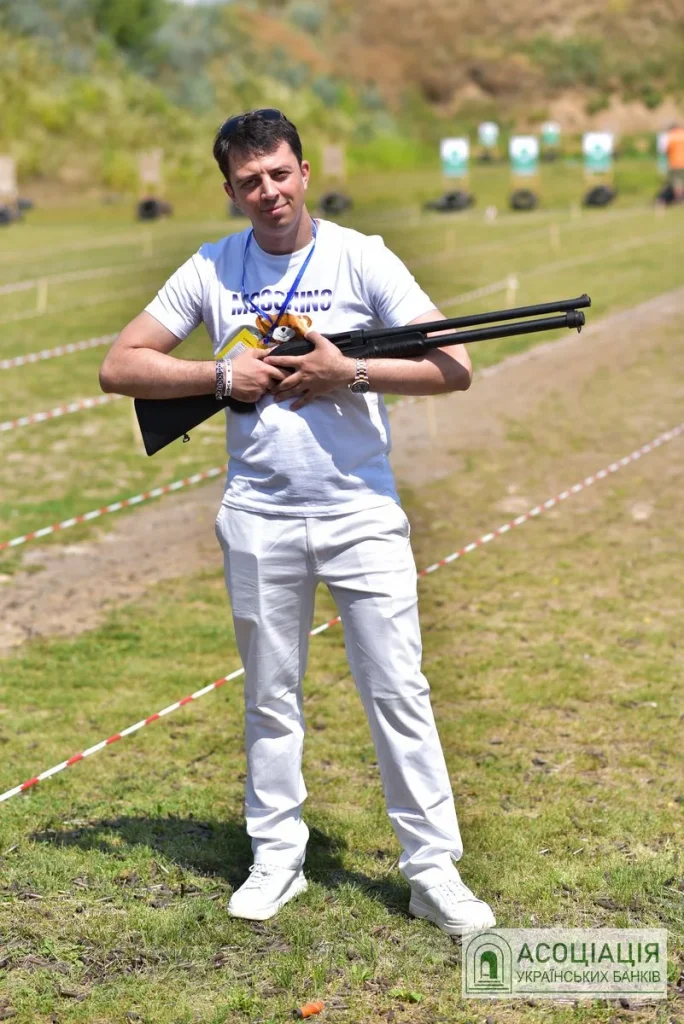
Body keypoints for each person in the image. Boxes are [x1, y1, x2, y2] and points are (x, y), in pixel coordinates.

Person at [99, 108, 495, 937]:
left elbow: (453, 364)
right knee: (270, 699)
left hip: (362, 513)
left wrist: (347, 371)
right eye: (250, 181)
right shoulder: (212, 266)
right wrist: (222, 377)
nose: (269, 191)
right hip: (258, 515)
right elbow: (120, 365)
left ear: (304, 173)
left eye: (280, 173)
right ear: (230, 190)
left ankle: (433, 872)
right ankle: (277, 858)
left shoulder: (362, 256)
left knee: (399, 691)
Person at [666, 123, 684, 202]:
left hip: (675, 163)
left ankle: (679, 198)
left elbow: (667, 149)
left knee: (677, 182)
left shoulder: (671, 136)